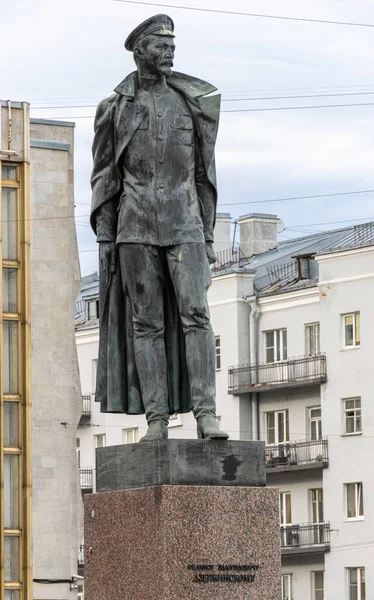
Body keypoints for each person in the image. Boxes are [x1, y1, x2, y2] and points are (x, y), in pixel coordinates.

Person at [90, 14, 228, 442]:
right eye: (160, 45)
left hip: (184, 221)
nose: (169, 52)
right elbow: (104, 178)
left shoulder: (192, 103)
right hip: (135, 228)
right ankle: (156, 421)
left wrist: (206, 235)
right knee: (145, 324)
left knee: (197, 316)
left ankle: (207, 415)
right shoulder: (114, 109)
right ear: (140, 51)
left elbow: (204, 175)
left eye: (172, 45)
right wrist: (106, 236)